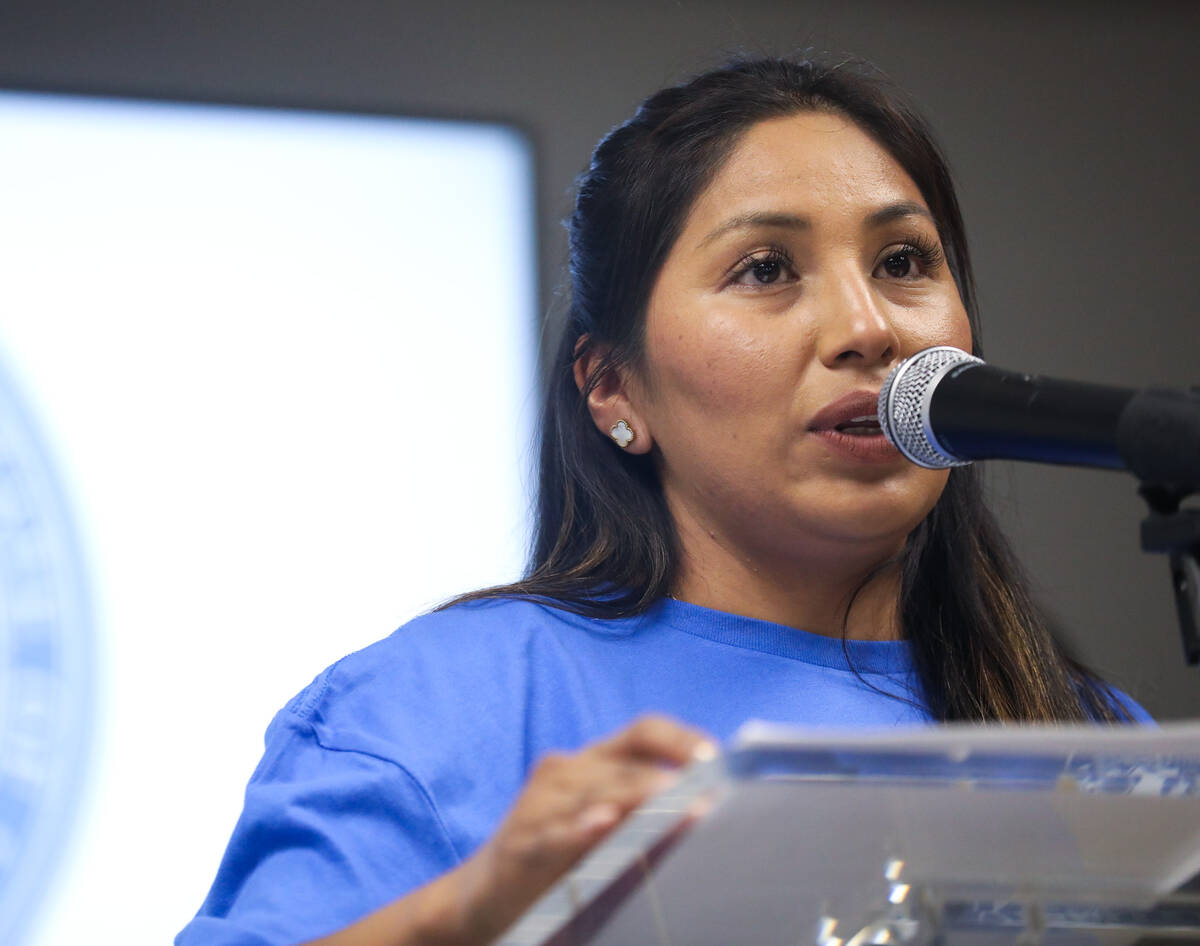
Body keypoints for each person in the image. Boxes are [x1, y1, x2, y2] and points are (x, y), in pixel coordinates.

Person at [176, 55, 1149, 946]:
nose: (868, 327)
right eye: (765, 269)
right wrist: (469, 917)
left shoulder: (1105, 745)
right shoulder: (433, 711)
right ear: (614, 389)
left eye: (903, 263)